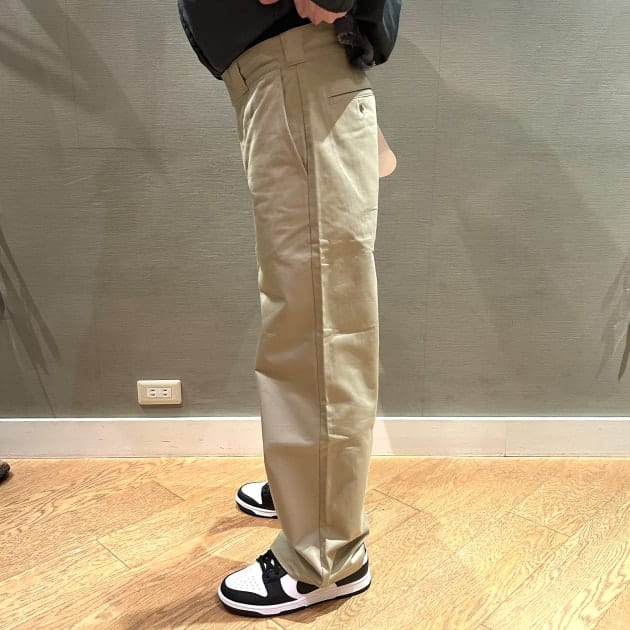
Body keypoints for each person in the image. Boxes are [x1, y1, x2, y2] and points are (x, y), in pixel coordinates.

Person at [177, 0, 401, 617]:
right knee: (301, 303)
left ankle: (325, 557)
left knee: (316, 316)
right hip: (281, 72)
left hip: (297, 63)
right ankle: (309, 491)